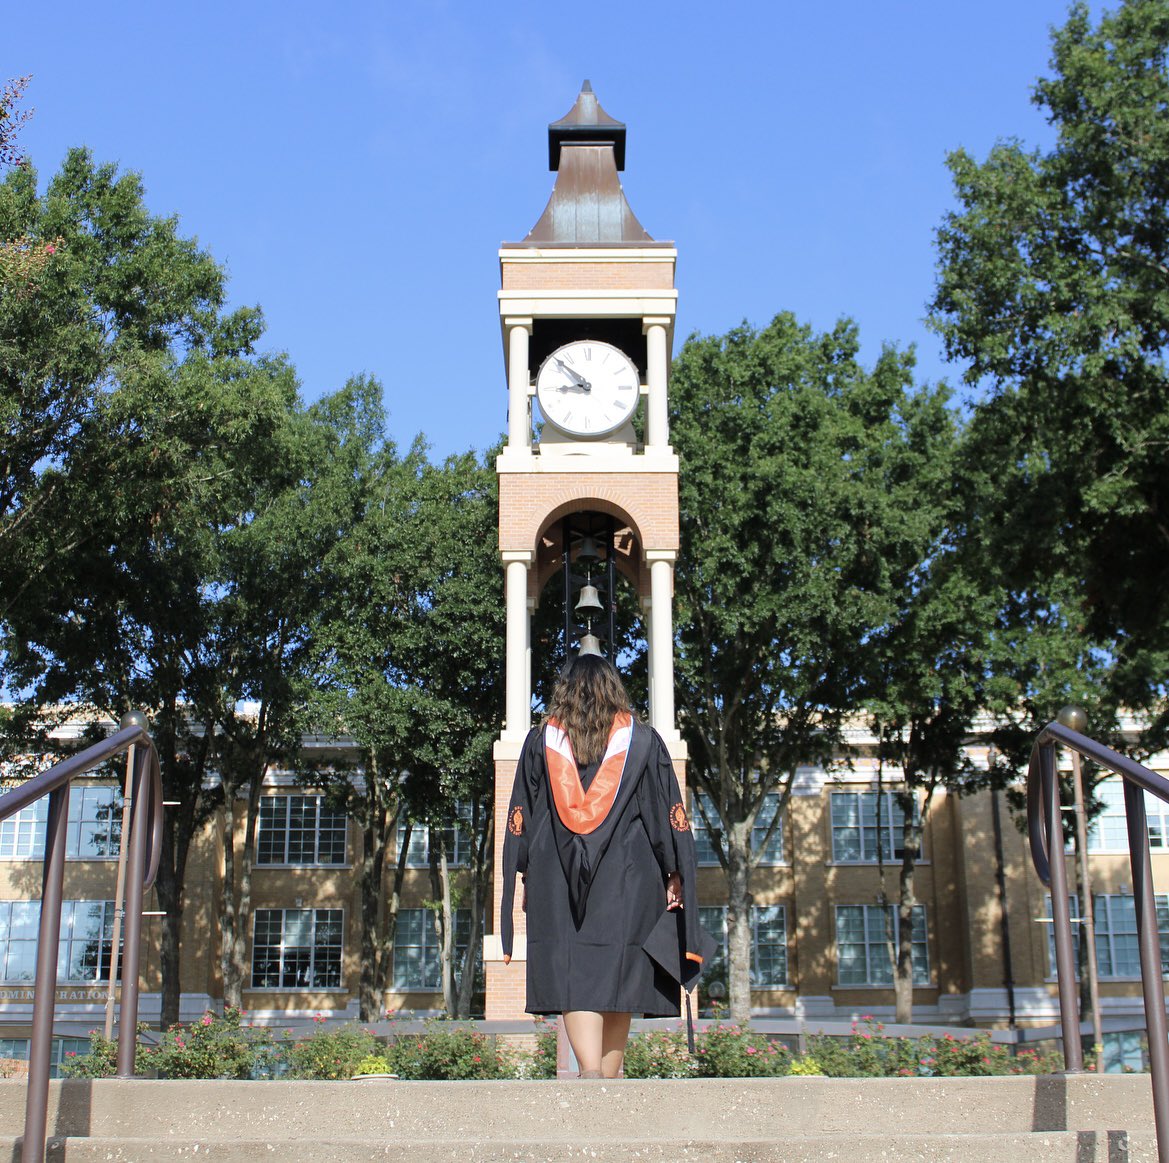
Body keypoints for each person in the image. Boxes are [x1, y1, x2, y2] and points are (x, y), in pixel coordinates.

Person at [500, 654, 702, 1079]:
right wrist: (674, 871)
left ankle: (591, 1074)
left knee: (573, 970)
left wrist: (526, 873)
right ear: (615, 690)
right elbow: (663, 810)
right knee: (619, 970)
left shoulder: (541, 742)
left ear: (564, 693)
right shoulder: (642, 742)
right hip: (628, 876)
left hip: (558, 878)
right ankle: (607, 1078)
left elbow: (524, 811)